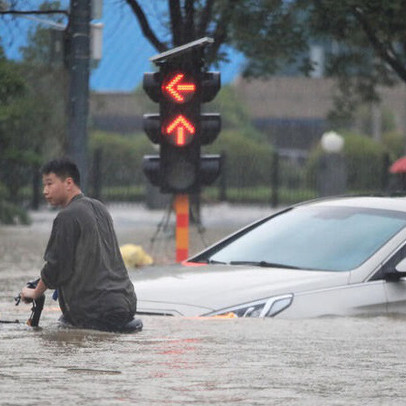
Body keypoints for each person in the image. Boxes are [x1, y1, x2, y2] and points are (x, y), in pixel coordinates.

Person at [20, 158, 141, 332]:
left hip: (94, 312)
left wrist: (34, 293)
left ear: (68, 182)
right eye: (44, 185)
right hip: (126, 304)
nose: (45, 191)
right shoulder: (100, 208)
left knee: (53, 347)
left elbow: (56, 267)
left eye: (49, 184)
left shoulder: (67, 216)